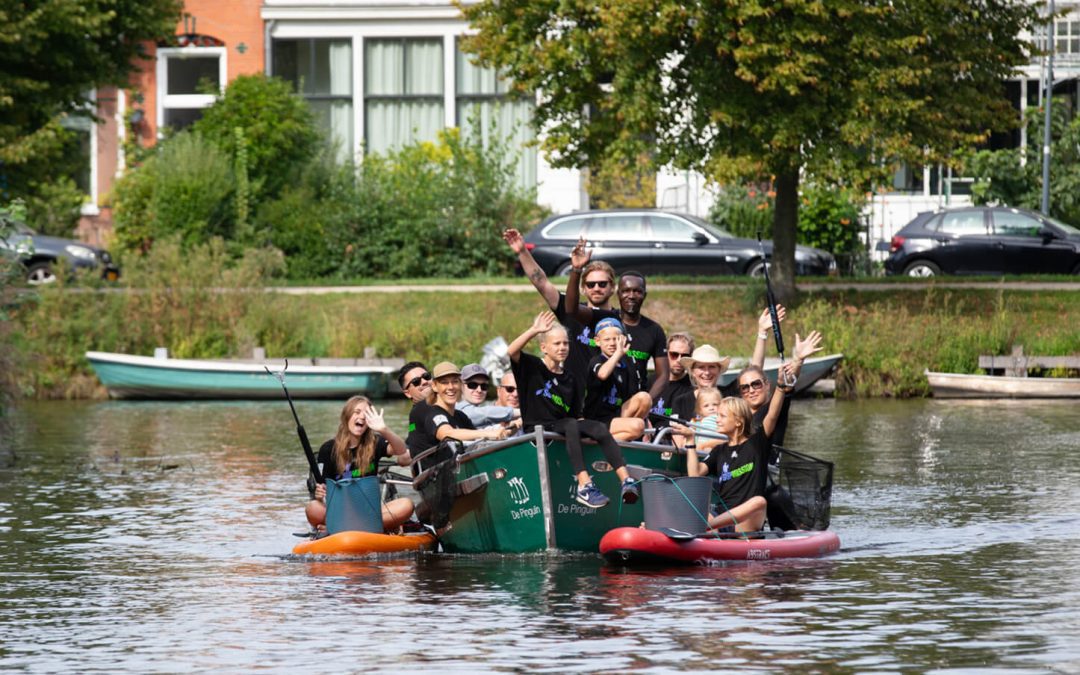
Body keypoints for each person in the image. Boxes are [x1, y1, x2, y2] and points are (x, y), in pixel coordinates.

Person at [509, 310, 638, 508]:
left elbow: (576, 416)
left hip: (561, 426)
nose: (563, 347)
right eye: (557, 343)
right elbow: (512, 351)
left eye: (566, 343)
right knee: (570, 425)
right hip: (537, 427)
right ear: (544, 347)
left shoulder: (571, 378)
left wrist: (589, 434)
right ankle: (585, 486)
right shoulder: (532, 366)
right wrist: (534, 330)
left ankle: (626, 481)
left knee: (597, 428)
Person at [563, 241, 670, 403]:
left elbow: (663, 375)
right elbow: (571, 310)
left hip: (633, 402)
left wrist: (646, 403)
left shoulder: (654, 329)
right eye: (626, 291)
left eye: (637, 291)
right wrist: (576, 270)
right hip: (600, 402)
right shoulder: (604, 320)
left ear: (644, 295)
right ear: (617, 293)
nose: (631, 296)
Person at [503, 228, 614, 380]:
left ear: (612, 287)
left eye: (602, 284)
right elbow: (541, 282)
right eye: (590, 284)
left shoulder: (618, 320)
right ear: (583, 288)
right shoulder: (571, 310)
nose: (596, 288)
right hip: (574, 396)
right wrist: (522, 252)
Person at [685, 379, 792, 533]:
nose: (717, 420)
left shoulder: (757, 443)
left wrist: (781, 387)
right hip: (720, 517)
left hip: (745, 522)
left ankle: (708, 527)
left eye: (722, 416)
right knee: (688, 496)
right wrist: (690, 441)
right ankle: (710, 527)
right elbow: (694, 475)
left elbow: (772, 416)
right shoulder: (719, 450)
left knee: (759, 502)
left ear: (738, 422)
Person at [305, 395, 414, 532]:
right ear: (346, 416)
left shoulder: (375, 442)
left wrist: (383, 429)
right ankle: (349, 526)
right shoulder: (328, 449)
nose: (362, 417)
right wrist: (319, 495)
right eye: (357, 412)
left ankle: (339, 528)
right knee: (313, 507)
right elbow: (323, 491)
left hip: (370, 513)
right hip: (340, 513)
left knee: (407, 505)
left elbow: (401, 449)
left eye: (366, 414)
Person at [405, 361, 510, 473]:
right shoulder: (433, 413)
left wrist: (506, 431)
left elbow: (478, 441)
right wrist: (488, 433)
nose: (451, 387)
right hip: (435, 478)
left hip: (458, 471)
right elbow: (447, 434)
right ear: (435, 386)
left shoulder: (461, 416)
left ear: (460, 385)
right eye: (444, 383)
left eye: (455, 382)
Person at [737, 330, 823, 447]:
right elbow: (754, 369)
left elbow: (787, 386)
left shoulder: (776, 406)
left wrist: (798, 360)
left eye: (756, 384)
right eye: (745, 387)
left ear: (767, 385)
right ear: (741, 392)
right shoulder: (738, 414)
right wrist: (762, 332)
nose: (751, 390)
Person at [583, 317, 651, 441]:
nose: (612, 343)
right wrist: (618, 354)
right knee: (637, 426)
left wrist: (647, 420)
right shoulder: (596, 361)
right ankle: (598, 445)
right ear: (598, 341)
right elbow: (603, 374)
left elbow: (634, 397)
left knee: (644, 398)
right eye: (607, 339)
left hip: (617, 415)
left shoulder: (628, 364)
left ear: (623, 339)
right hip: (597, 419)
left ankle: (607, 441)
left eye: (616, 339)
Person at [647, 332, 696, 428]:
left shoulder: (692, 388)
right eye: (674, 354)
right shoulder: (649, 381)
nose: (679, 360)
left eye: (684, 356)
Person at [457, 363, 521, 430]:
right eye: (472, 385)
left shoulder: (479, 412)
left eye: (484, 386)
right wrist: (522, 412)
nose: (479, 390)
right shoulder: (458, 409)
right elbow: (484, 414)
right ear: (460, 386)